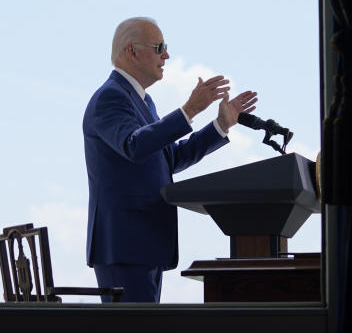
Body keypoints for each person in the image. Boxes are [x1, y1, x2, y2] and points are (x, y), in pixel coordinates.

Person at [83, 17, 258, 303]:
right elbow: (134, 145)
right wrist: (189, 109)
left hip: (146, 243)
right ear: (132, 51)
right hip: (124, 245)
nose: (166, 56)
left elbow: (168, 158)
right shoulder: (109, 98)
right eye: (160, 47)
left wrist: (220, 126)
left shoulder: (142, 101)